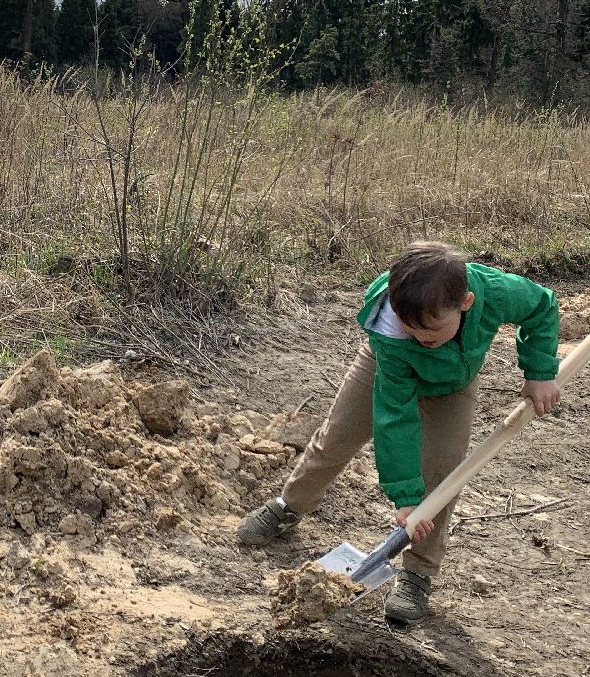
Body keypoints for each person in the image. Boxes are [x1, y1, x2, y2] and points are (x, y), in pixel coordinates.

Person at [236, 241, 560, 627]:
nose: (422, 336)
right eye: (413, 328)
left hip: (453, 384)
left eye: (434, 329)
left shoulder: (498, 291)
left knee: (442, 472)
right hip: (389, 369)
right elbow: (396, 417)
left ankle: (417, 573)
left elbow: (542, 306)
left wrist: (540, 371)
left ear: (466, 302)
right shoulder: (390, 332)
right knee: (336, 439)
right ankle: (289, 506)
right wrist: (405, 499)